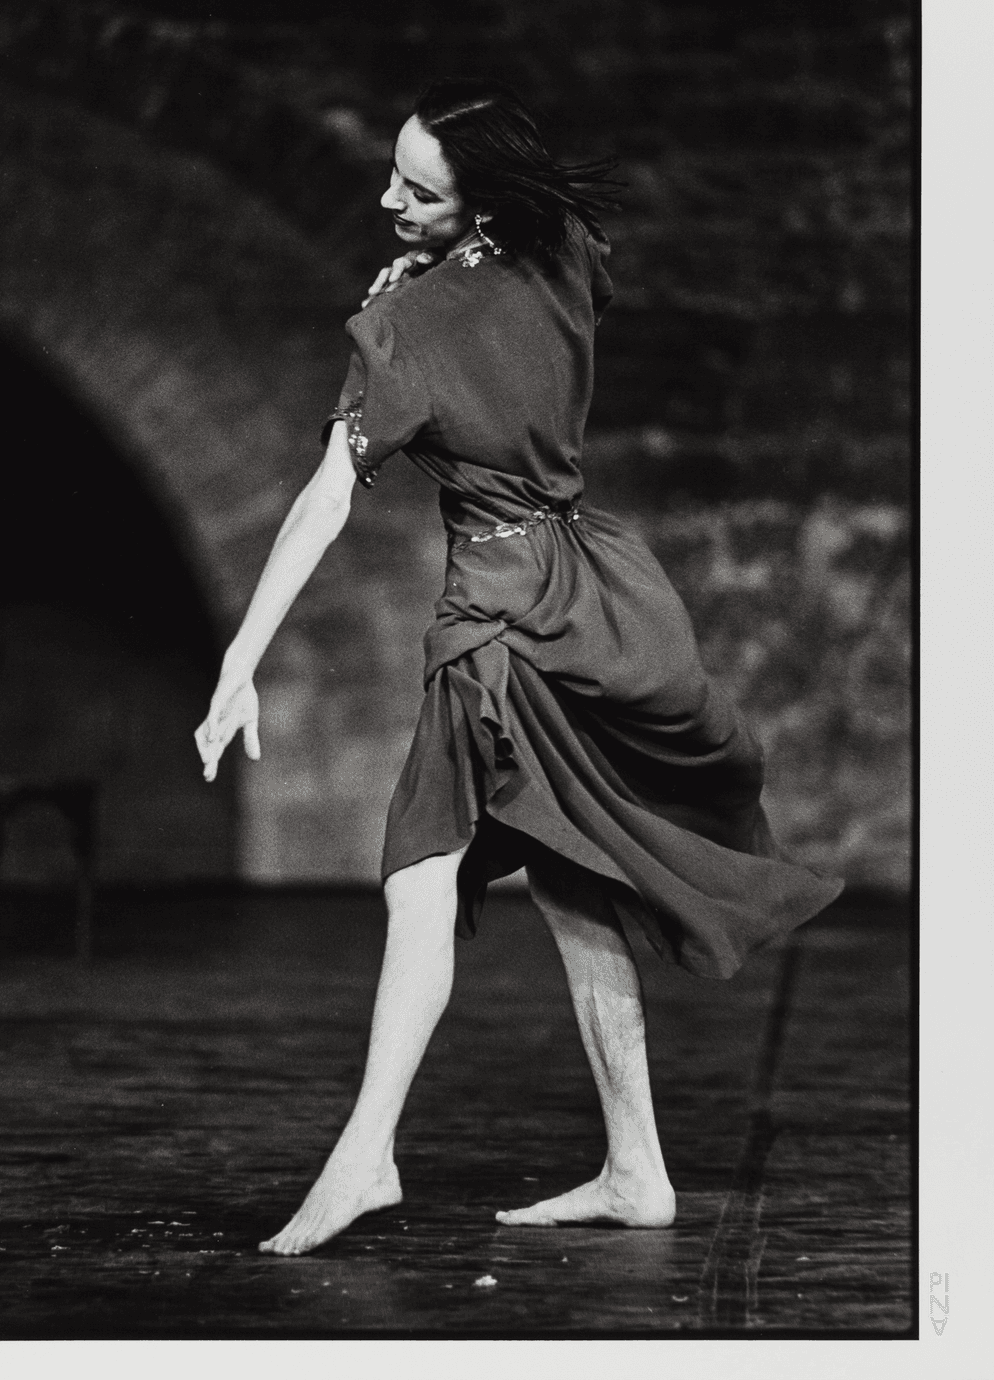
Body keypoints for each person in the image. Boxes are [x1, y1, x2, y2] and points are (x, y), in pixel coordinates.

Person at [195, 80, 842, 1258]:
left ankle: (365, 1157)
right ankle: (637, 1169)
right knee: (574, 878)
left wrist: (240, 657)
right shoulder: (561, 260)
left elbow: (326, 496)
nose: (387, 198)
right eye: (394, 174)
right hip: (591, 593)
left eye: (418, 190)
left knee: (417, 878)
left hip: (494, 619)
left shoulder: (402, 331)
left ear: (479, 202)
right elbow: (559, 267)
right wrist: (450, 267)